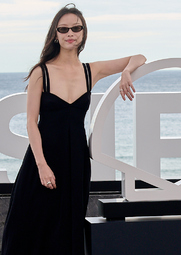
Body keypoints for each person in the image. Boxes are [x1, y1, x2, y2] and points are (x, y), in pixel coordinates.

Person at [1, 4, 146, 255]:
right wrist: (41, 165)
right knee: (29, 224)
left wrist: (126, 72)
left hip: (76, 161)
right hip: (43, 159)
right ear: (55, 34)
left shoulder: (92, 70)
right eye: (64, 28)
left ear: (83, 33)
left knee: (67, 227)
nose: (71, 33)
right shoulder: (41, 72)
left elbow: (139, 57)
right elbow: (30, 123)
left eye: (76, 28)